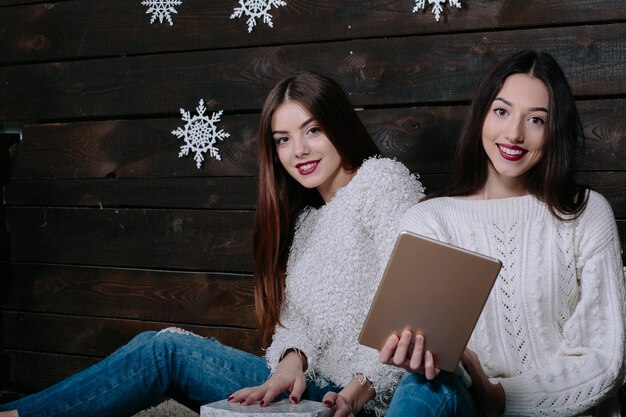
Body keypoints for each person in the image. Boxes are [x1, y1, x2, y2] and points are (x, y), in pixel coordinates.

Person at [0, 71, 472, 417]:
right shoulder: (305, 222)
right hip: (309, 393)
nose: (299, 151)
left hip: (371, 395)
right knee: (163, 349)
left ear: (338, 125)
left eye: (311, 130)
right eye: (283, 139)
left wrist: (355, 391)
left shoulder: (380, 182)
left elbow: (416, 311)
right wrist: (289, 365)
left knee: (427, 386)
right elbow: (297, 323)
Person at [379, 50, 626, 416]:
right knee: (419, 384)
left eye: (536, 120)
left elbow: (604, 359)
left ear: (554, 130)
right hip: (461, 402)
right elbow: (419, 341)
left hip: (563, 411)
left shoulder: (586, 213)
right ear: (481, 115)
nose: (514, 133)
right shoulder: (428, 220)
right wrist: (414, 355)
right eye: (501, 111)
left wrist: (500, 395)